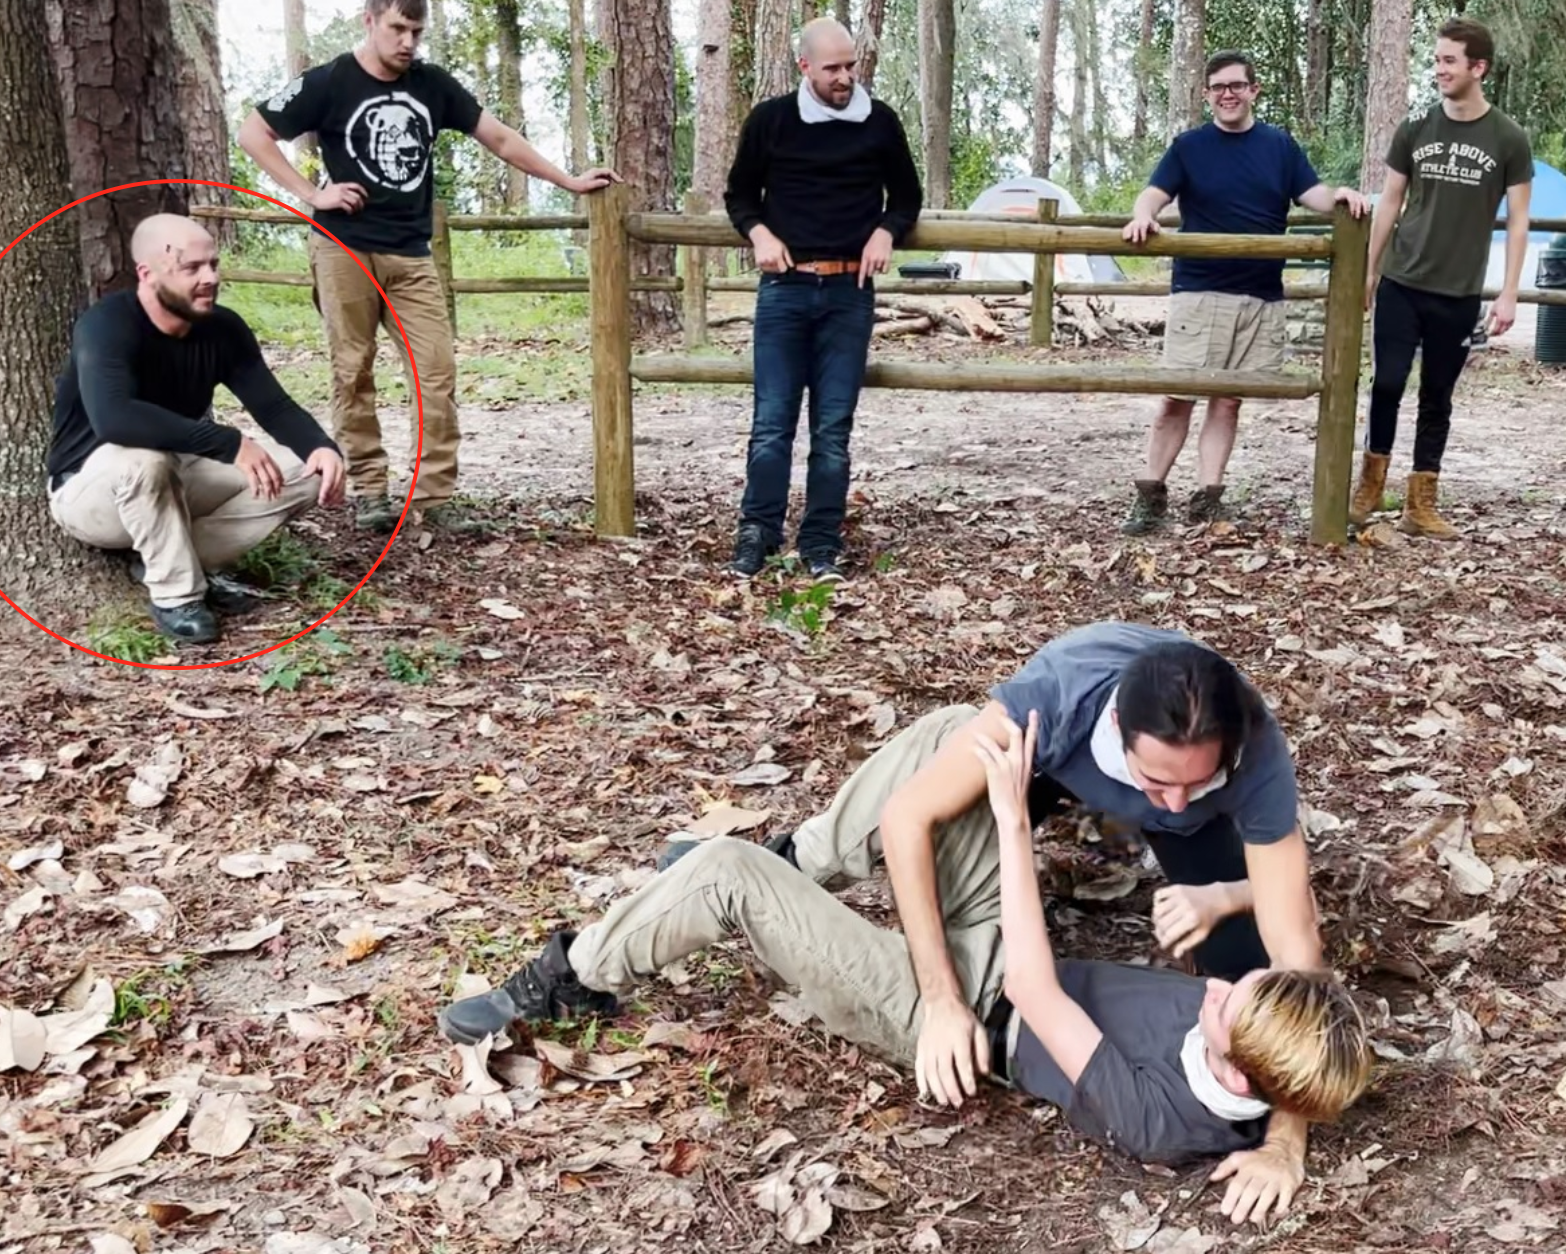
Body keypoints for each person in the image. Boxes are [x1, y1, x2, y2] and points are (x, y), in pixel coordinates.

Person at [437, 712, 1370, 1226]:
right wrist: (1224, 900)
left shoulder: (1160, 1119)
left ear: (1238, 1073)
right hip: (1001, 952)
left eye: (1226, 1002)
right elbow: (1308, 995)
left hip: (957, 1016)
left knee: (724, 873)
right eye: (1242, 980)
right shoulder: (1276, 1053)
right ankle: (806, 859)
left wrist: (1013, 823)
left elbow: (1034, 988)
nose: (1218, 983)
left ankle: (573, 975)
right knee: (964, 736)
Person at [239, 0, 618, 534]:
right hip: (344, 249)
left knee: (435, 372)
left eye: (417, 31)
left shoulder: (432, 85)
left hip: (411, 253)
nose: (408, 42)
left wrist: (570, 181)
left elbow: (500, 138)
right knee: (353, 372)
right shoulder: (329, 81)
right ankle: (370, 491)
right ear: (370, 21)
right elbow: (253, 133)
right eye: (398, 28)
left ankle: (435, 497)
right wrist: (312, 194)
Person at [46, 214, 345, 646]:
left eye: (213, 265)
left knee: (307, 470)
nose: (210, 278)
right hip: (90, 490)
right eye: (191, 268)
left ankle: (174, 562)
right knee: (144, 462)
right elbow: (115, 419)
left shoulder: (223, 328)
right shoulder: (107, 324)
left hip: (177, 471)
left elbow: (273, 406)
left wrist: (320, 446)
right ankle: (178, 596)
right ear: (147, 273)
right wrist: (228, 442)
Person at [1120, 51, 1369, 534]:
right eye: (1218, 87)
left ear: (1254, 90)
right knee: (1178, 397)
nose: (1227, 94)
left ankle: (1208, 497)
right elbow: (1154, 193)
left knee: (1229, 400)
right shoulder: (1189, 146)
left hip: (1260, 296)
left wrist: (1341, 195)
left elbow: (1313, 194)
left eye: (1236, 85)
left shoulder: (1279, 146)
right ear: (1207, 94)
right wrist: (1143, 215)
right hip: (1200, 292)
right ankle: (1150, 497)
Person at [723, 17, 922, 583]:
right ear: (804, 66)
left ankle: (820, 544)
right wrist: (759, 234)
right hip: (784, 289)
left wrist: (886, 232)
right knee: (771, 424)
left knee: (833, 430)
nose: (844, 77)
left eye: (850, 65)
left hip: (849, 292)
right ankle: (757, 535)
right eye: (832, 68)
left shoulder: (879, 122)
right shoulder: (771, 121)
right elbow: (740, 195)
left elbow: (906, 197)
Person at [1350, 18, 1532, 540]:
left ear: (1479, 68)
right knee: (1387, 383)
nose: (1439, 69)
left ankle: (1420, 504)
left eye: (1449, 60)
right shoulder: (1415, 128)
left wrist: (1509, 293)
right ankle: (1369, 487)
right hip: (1403, 281)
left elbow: (1518, 220)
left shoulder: (1508, 138)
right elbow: (1390, 201)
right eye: (1436, 60)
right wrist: (1370, 270)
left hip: (1459, 291)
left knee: (1437, 395)